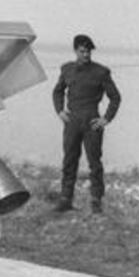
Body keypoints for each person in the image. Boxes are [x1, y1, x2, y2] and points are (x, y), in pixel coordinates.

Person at [51, 34, 121, 213]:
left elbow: (115, 97)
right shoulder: (67, 69)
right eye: (82, 51)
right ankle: (66, 199)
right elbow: (57, 91)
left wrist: (106, 118)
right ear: (76, 51)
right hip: (72, 121)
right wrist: (60, 110)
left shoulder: (101, 72)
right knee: (69, 160)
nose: (86, 55)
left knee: (94, 163)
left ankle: (96, 201)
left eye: (88, 51)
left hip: (92, 122)